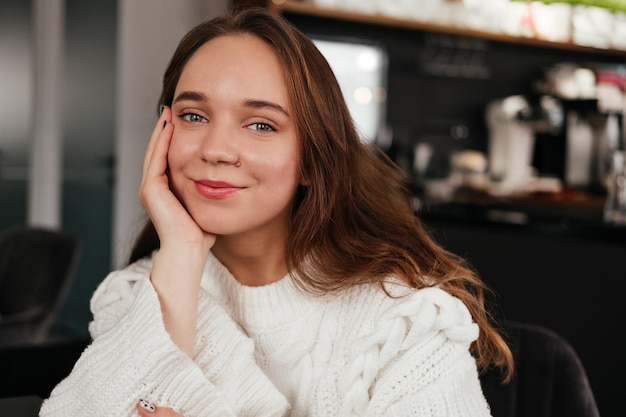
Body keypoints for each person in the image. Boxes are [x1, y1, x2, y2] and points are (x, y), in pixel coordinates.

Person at [40, 6, 513, 417]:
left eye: (261, 124)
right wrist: (181, 255)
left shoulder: (400, 320)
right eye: (193, 116)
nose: (216, 149)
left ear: (312, 159)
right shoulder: (138, 294)